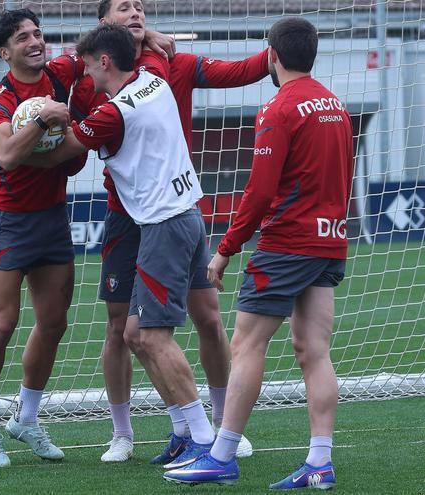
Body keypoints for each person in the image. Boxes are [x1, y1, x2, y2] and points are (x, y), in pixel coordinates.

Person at [70, 0, 267, 463]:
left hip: (168, 213)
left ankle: (219, 428)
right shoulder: (92, 75)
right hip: (128, 215)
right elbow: (74, 150)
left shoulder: (165, 63)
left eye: (141, 7)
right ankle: (127, 434)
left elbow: (238, 72)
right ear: (105, 25)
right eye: (125, 7)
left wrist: (275, 53)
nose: (136, 13)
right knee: (125, 329)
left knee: (203, 319)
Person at [164, 17, 354, 489]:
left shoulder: (279, 109)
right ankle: (320, 462)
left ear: (272, 54)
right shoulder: (336, 105)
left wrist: (225, 249)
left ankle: (222, 455)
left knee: (247, 344)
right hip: (329, 241)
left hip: (287, 244)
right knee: (314, 351)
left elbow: (260, 191)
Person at [25, 23, 220, 472]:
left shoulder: (112, 113)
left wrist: (20, 135)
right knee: (133, 334)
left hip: (164, 225)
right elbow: (148, 56)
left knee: (152, 336)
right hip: (186, 217)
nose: (85, 75)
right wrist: (147, 34)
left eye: (88, 66)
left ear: (105, 61)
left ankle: (205, 441)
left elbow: (58, 154)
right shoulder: (154, 79)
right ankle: (183, 431)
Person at [0, 8, 86, 468]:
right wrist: (44, 119)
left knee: (54, 324)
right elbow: (8, 156)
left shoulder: (61, 72)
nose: (35, 42)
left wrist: (145, 31)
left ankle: (26, 418)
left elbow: (103, 44)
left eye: (38, 34)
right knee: (2, 324)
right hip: (10, 220)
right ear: (4, 52)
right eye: (23, 38)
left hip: (52, 218)